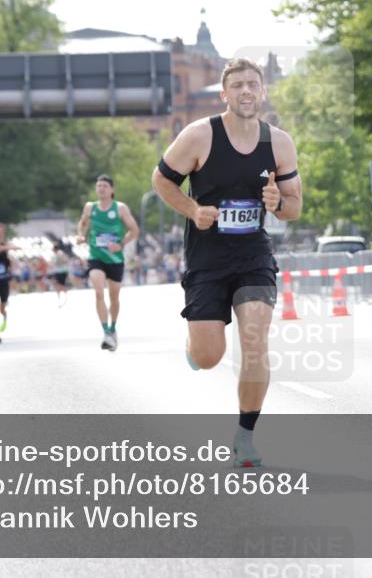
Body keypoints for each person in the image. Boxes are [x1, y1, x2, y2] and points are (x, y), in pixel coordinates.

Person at [151, 58, 302, 468]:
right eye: (237, 85)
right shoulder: (199, 136)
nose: (246, 90)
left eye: (253, 84)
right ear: (224, 94)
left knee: (255, 343)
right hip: (207, 258)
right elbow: (161, 180)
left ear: (263, 91)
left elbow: (294, 207)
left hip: (254, 255)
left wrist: (278, 203)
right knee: (208, 357)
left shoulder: (279, 143)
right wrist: (192, 209)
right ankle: (195, 348)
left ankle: (245, 437)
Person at [77, 174, 140, 352]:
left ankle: (113, 329)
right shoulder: (90, 207)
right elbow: (82, 224)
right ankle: (106, 332)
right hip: (96, 256)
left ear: (112, 190)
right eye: (99, 186)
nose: (101, 189)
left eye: (105, 186)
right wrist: (81, 235)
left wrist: (120, 244)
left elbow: (134, 230)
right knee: (98, 293)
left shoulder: (120, 208)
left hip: (115, 259)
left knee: (114, 298)